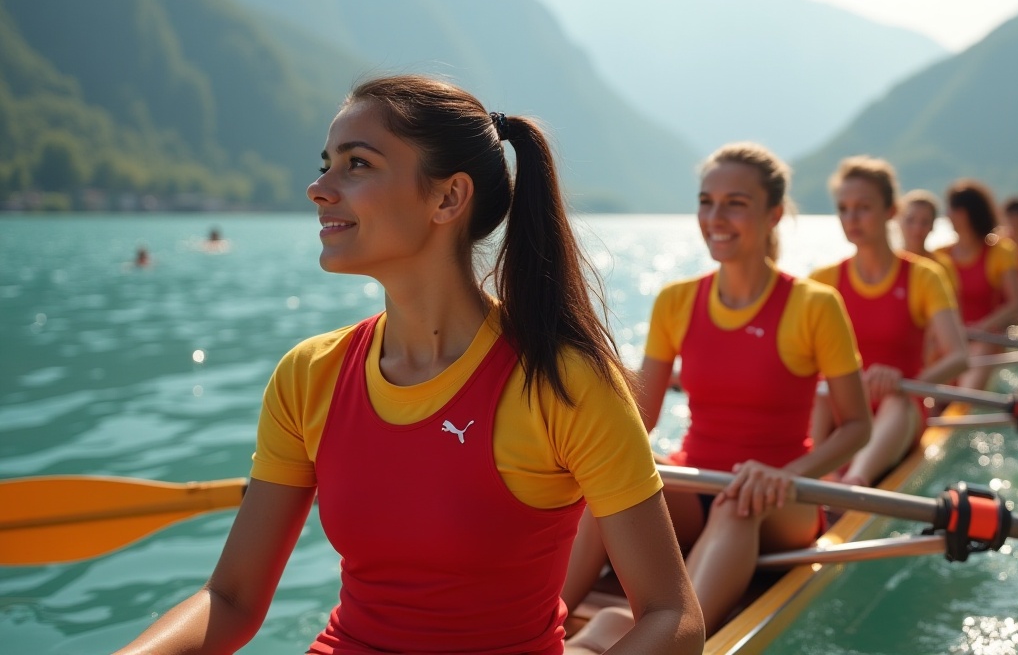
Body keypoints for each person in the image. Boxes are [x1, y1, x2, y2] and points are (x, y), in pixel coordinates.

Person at [117, 76, 703, 655]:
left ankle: (595, 636)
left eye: (358, 164)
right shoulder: (307, 375)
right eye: (326, 163)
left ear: (447, 197)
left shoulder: (564, 382)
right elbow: (233, 600)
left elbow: (673, 616)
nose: (318, 188)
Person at [563, 143, 872, 635]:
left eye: (735, 203)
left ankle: (680, 639)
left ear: (773, 215)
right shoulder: (675, 300)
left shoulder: (816, 305)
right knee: (610, 493)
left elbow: (856, 426)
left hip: (783, 498)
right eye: (707, 201)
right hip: (700, 479)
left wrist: (785, 474)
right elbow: (639, 418)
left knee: (737, 505)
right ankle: (541, 627)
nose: (715, 216)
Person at [808, 157, 968, 487]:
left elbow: (958, 357)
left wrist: (906, 380)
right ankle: (813, 476)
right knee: (821, 394)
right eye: (844, 209)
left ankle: (855, 483)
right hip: (840, 407)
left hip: (900, 408)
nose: (851, 219)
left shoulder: (924, 276)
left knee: (896, 401)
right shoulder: (822, 280)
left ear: (890, 211)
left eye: (863, 207)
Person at [933, 179, 1018, 390]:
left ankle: (959, 402)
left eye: (951, 210)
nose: (947, 216)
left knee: (979, 348)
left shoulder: (1001, 251)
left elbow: (1017, 305)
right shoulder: (940, 256)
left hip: (985, 338)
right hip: (952, 339)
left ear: (966, 214)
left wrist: (980, 327)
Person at [897, 189, 943, 258]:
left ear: (932, 225)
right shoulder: (883, 264)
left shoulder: (942, 266)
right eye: (910, 220)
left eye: (925, 222)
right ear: (899, 222)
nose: (917, 228)